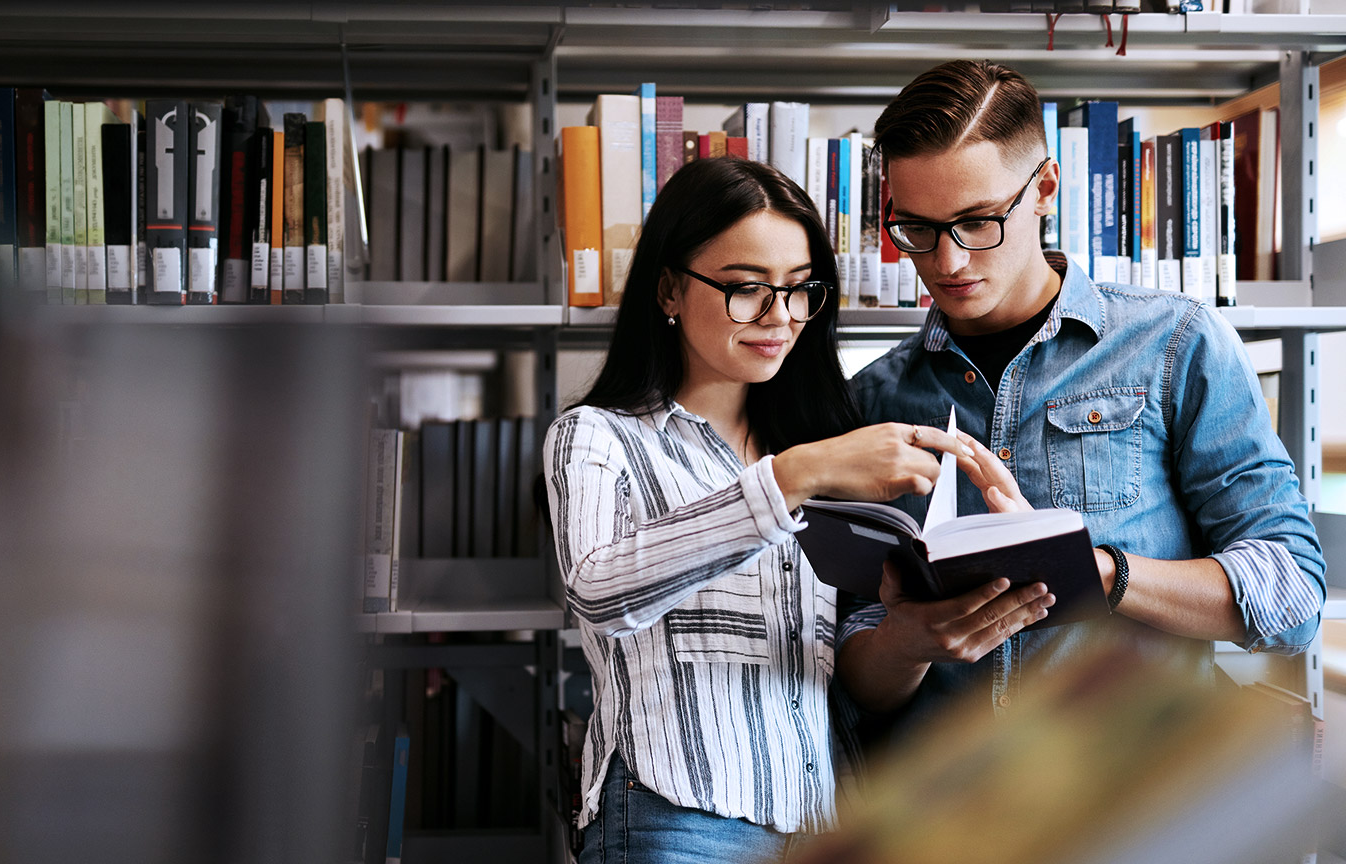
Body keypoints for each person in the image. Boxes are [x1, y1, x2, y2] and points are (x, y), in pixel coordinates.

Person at [543, 156, 1043, 863]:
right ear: (668, 290)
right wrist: (795, 475)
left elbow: (837, 668)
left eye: (800, 290)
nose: (780, 318)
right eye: (747, 289)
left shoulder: (812, 445)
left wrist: (918, 625)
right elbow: (597, 589)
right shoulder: (598, 436)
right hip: (679, 820)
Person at [838, 60, 1326, 743]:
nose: (945, 263)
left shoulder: (1174, 343)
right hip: (945, 815)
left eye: (977, 222)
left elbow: (1292, 594)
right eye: (916, 228)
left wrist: (1094, 571)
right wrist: (903, 643)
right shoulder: (874, 397)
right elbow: (855, 669)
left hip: (1129, 804)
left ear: (1045, 188)